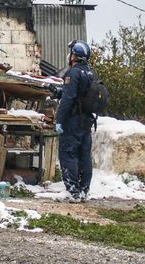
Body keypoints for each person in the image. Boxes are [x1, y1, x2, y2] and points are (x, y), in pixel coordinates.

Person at [53, 39, 96, 202]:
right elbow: (80, 94)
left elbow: (69, 99)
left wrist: (59, 120)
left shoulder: (73, 73)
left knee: (68, 154)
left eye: (71, 52)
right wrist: (59, 92)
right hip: (86, 121)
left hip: (73, 121)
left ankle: (72, 192)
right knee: (84, 156)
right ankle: (84, 191)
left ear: (74, 56)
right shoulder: (90, 73)